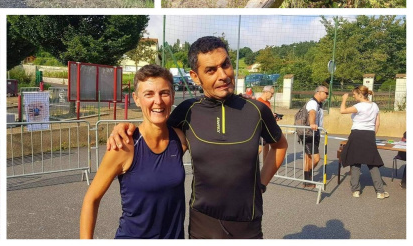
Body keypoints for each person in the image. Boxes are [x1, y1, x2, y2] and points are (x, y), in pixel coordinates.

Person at [108, 36, 287, 239]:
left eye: (225, 64)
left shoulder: (257, 110)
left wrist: (261, 183)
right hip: (203, 223)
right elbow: (155, 131)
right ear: (195, 76)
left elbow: (280, 145)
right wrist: (126, 128)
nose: (223, 75)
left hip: (247, 222)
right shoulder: (188, 111)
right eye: (211, 70)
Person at [80, 65, 186, 239]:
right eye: (149, 94)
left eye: (164, 93)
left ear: (172, 96)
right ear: (136, 99)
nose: (158, 101)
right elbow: (91, 199)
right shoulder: (124, 145)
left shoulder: (180, 139)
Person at [339, 87, 388, 199]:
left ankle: (355, 190)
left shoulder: (359, 106)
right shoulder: (375, 106)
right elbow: (377, 123)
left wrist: (344, 99)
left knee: (355, 162)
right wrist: (372, 135)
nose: (353, 96)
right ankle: (380, 192)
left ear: (360, 95)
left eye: (354, 94)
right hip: (369, 134)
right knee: (373, 163)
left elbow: (342, 111)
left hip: (357, 134)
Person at [301, 85, 328, 188]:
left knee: (308, 157)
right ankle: (307, 177)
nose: (327, 95)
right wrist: (312, 124)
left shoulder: (318, 104)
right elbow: (312, 113)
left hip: (313, 133)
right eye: (326, 93)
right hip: (310, 133)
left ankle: (306, 180)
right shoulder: (313, 102)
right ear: (319, 92)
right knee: (316, 158)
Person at [256, 86, 280, 164]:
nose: (272, 95)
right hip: (260, 128)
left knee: (266, 147)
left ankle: (265, 164)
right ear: (266, 92)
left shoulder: (268, 103)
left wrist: (274, 118)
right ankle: (249, 162)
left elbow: (268, 115)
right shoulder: (259, 102)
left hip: (266, 128)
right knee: (259, 148)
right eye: (272, 93)